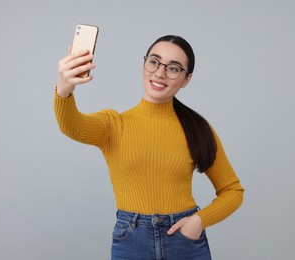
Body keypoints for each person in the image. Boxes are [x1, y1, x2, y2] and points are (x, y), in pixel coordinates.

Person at [54, 35, 244, 260]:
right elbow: (73, 126)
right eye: (154, 62)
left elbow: (233, 191)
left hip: (184, 242)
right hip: (132, 240)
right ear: (144, 64)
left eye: (173, 68)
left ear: (186, 79)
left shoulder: (198, 129)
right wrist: (64, 90)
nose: (160, 73)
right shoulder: (114, 125)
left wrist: (199, 221)